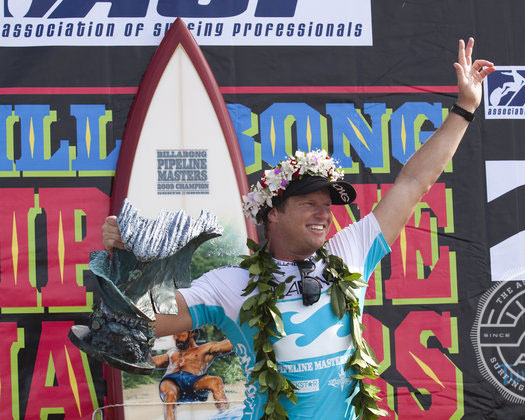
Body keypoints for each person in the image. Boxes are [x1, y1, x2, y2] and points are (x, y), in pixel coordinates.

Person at [103, 38, 494, 419]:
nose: (323, 214)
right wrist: (124, 260)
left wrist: (464, 108)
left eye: (327, 206)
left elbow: (413, 184)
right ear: (273, 212)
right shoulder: (230, 284)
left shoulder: (350, 253)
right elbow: (146, 321)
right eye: (309, 204)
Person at [152, 330, 234, 420]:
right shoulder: (171, 354)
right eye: (174, 336)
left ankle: (227, 416)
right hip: (172, 382)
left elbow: (233, 343)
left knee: (216, 381)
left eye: (180, 335)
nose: (176, 338)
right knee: (170, 394)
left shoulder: (204, 349)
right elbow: (148, 362)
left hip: (195, 382)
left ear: (192, 333)